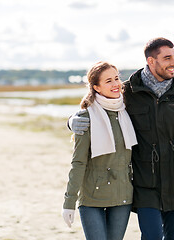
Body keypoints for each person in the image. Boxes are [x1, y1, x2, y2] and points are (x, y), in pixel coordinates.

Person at [69, 38, 174, 240]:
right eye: (167, 58)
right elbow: (100, 108)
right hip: (145, 183)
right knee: (152, 236)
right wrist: (72, 120)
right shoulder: (129, 92)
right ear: (151, 61)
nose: (173, 63)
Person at [62, 61, 137, 240]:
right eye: (108, 81)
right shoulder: (86, 118)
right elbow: (78, 163)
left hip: (122, 195)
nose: (116, 84)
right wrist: (69, 202)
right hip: (92, 197)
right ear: (96, 87)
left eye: (117, 78)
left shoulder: (129, 110)